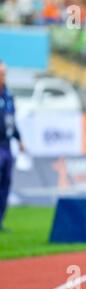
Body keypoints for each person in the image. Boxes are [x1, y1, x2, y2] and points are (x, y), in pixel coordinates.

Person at [0, 61, 25, 232]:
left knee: (5, 183)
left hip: (7, 145)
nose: (3, 76)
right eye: (1, 73)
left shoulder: (8, 95)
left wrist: (19, 138)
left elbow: (11, 121)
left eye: (4, 73)